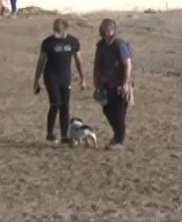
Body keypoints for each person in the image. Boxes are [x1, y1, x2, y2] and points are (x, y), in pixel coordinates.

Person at [34, 18, 85, 145]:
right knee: (55, 103)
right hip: (51, 76)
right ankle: (50, 133)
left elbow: (78, 60)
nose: (57, 32)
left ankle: (64, 135)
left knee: (65, 106)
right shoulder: (48, 42)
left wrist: (82, 78)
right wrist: (36, 79)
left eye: (59, 29)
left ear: (65, 28)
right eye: (55, 29)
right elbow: (41, 61)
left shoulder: (73, 41)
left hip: (65, 76)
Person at [92, 19, 133, 149]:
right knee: (107, 110)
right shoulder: (101, 46)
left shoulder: (119, 45)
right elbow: (97, 65)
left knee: (119, 112)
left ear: (113, 30)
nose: (106, 31)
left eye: (108, 29)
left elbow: (127, 64)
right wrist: (97, 81)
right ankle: (117, 135)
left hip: (119, 85)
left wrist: (125, 84)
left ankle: (119, 140)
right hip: (106, 84)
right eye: (104, 28)